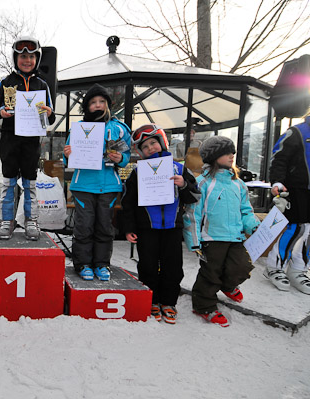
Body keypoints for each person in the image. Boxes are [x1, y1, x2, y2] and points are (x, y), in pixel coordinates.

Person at [122, 124, 199, 324]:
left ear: (162, 142)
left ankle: (168, 301)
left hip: (172, 229)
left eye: (153, 143)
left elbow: (195, 195)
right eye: (145, 146)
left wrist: (183, 184)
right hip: (147, 229)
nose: (150, 148)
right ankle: (152, 300)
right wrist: (129, 228)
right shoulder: (137, 172)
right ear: (140, 151)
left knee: (173, 267)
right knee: (147, 266)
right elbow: (128, 202)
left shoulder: (179, 168)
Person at [183, 136, 260, 327]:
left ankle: (228, 286)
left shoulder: (238, 184)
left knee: (242, 267)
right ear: (214, 156)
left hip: (235, 236)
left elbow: (246, 210)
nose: (232, 155)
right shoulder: (202, 183)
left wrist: (254, 225)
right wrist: (193, 239)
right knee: (211, 272)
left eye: (232, 151)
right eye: (226, 152)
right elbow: (193, 213)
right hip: (212, 237)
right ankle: (204, 305)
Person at [0, 36, 55, 240]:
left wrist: (48, 112)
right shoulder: (6, 83)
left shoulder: (42, 85)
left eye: (32, 56)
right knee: (8, 183)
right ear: (15, 58)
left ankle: (31, 220)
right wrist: (1, 112)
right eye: (23, 56)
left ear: (37, 59)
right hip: (9, 140)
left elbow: (50, 117)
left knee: (30, 183)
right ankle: (7, 220)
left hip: (31, 142)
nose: (27, 60)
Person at [63, 84, 131, 281]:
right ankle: (82, 263)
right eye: (93, 103)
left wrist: (122, 159)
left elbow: (127, 154)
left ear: (108, 105)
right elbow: (68, 158)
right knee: (84, 227)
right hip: (83, 185)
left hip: (109, 185)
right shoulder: (78, 129)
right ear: (87, 107)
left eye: (102, 102)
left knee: (104, 227)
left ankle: (102, 264)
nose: (98, 105)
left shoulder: (118, 128)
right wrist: (67, 155)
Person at [264, 113, 310, 294]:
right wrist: (276, 181)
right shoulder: (297, 132)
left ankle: (298, 269)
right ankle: (274, 266)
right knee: (296, 228)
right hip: (297, 189)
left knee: (308, 231)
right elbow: (279, 158)